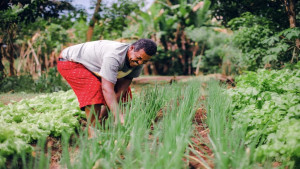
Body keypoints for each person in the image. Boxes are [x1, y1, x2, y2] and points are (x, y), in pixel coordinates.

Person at [57, 39, 157, 136]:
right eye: (139, 58)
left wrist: (103, 115)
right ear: (131, 48)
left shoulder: (138, 61)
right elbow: (107, 88)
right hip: (70, 61)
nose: (139, 63)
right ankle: (92, 132)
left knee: (124, 94)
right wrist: (118, 115)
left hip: (92, 65)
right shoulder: (114, 56)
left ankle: (101, 123)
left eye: (144, 62)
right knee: (93, 89)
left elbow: (122, 89)